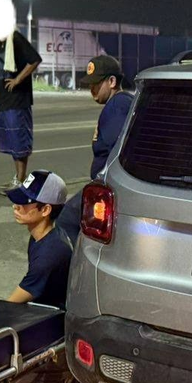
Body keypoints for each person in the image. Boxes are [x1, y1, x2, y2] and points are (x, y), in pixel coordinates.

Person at [58, 55, 134, 242]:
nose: (91, 89)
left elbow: (118, 152)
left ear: (112, 81)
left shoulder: (117, 106)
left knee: (66, 219)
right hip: (108, 185)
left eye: (96, 84)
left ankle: (76, 267)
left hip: (108, 187)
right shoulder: (120, 103)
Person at [5, 170, 73, 309]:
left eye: (24, 203)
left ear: (45, 210)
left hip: (52, 320)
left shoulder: (49, 256)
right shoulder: (43, 235)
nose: (15, 206)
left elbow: (8, 305)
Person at [0, 29, 42, 188]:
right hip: (4, 100)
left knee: (20, 141)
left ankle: (20, 179)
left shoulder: (16, 38)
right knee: (12, 142)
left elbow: (34, 60)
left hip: (18, 99)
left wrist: (17, 80)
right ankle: (19, 177)